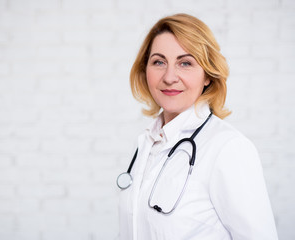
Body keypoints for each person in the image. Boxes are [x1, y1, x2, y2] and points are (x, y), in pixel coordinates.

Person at [117, 13, 278, 240]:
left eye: (185, 63)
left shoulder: (228, 149)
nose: (170, 76)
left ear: (207, 76)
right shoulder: (148, 143)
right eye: (159, 62)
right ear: (145, 72)